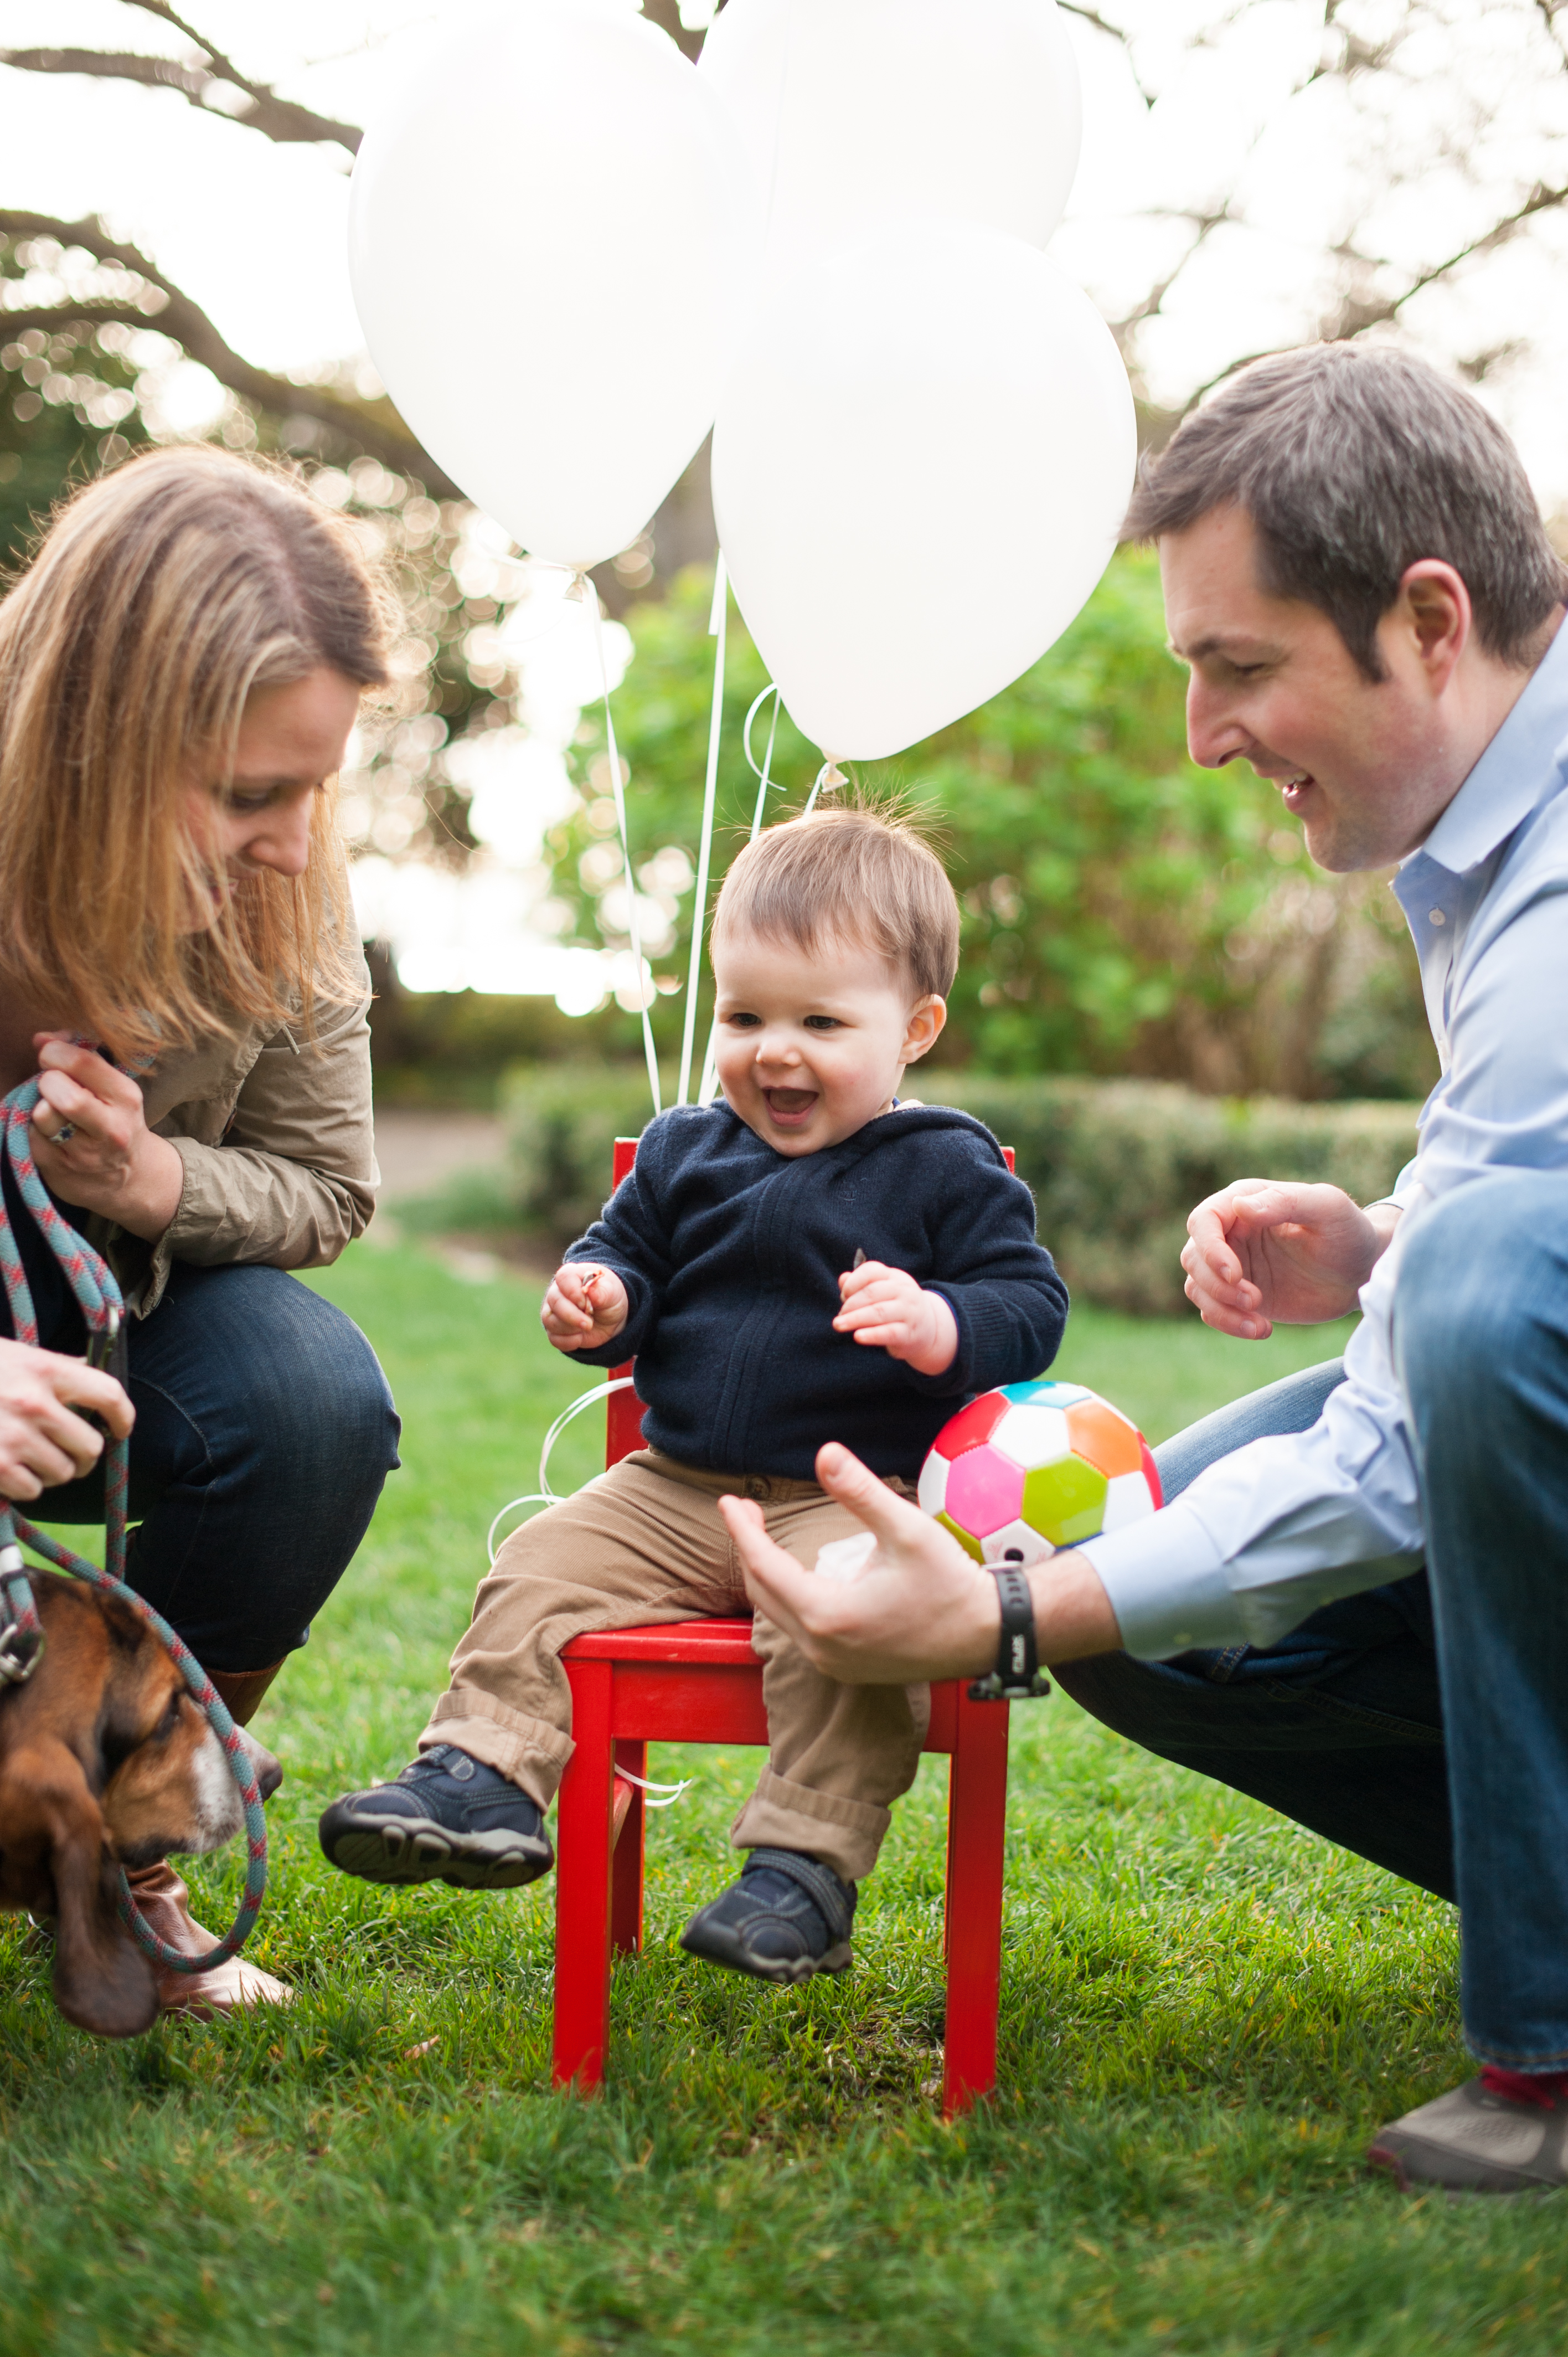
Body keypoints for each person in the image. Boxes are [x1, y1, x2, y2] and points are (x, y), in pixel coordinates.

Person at [709, 346, 1568, 2196]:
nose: (1201, 730)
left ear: (1428, 619)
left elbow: (1404, 1450)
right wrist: (1393, 1247)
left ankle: (1550, 2037)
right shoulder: (1489, 841)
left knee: (1433, 1332)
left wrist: (1009, 1616)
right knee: (1182, 1574)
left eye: (1236, 666)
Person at [319, 807, 1067, 1981]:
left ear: (915, 1028)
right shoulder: (685, 1150)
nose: (777, 1050)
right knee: (542, 1563)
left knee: (846, 1628)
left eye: (822, 1021)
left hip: (847, 1496)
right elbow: (625, 1257)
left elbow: (1029, 1304)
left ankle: (804, 1867)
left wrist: (942, 1323)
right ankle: (479, 1772)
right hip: (674, 1485)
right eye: (745, 1015)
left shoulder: (946, 1167)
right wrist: (603, 1301)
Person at [0, 445, 401, 2017]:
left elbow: (329, 1186)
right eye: (250, 794)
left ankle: (123, 1840)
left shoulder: (286, 887)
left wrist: (158, 1184)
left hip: (115, 1299)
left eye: (318, 786)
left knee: (309, 1405)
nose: (299, 846)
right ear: (97, 736)